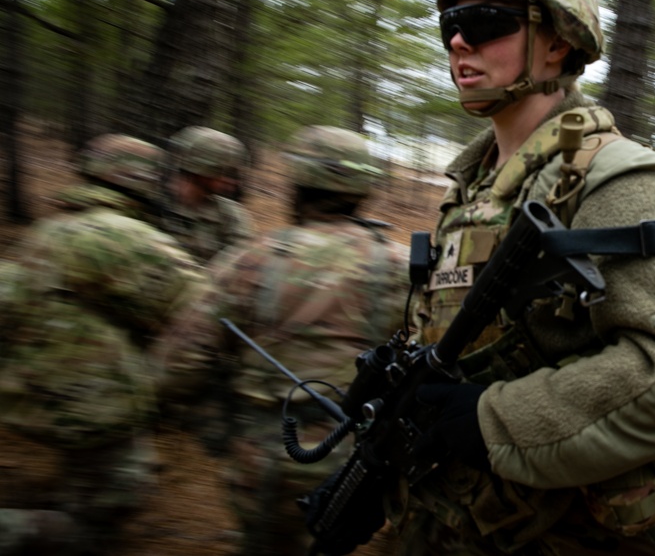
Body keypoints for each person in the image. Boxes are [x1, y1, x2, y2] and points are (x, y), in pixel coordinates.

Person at [391, 0, 655, 556]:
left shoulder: (626, 180)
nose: (459, 41)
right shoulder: (475, 186)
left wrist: (491, 420)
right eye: (449, 22)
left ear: (559, 41)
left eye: (484, 20)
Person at [153, 126, 411, 556]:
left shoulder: (250, 259)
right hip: (361, 461)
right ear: (364, 188)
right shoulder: (401, 267)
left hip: (264, 455)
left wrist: (211, 424)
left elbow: (177, 363)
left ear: (297, 183)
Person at [0, 134, 205, 555]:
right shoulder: (128, 237)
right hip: (90, 405)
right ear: (146, 182)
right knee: (105, 515)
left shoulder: (48, 228)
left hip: (23, 393)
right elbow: (202, 314)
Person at [163, 125, 255, 263]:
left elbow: (240, 265)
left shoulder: (230, 215)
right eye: (226, 172)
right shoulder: (154, 201)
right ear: (201, 169)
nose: (233, 181)